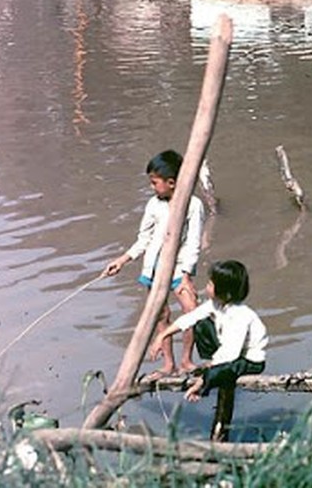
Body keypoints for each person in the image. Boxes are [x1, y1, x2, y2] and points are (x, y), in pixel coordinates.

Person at [103, 149, 206, 380]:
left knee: (191, 310)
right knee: (161, 315)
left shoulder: (193, 204)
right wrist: (123, 260)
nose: (152, 187)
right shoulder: (153, 205)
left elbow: (193, 242)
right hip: (155, 268)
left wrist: (187, 275)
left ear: (171, 183)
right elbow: (144, 239)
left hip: (180, 268)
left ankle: (187, 360)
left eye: (154, 182)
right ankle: (168, 364)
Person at [154, 259, 267, 402]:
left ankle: (202, 386)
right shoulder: (216, 304)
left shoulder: (240, 315)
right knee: (201, 323)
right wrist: (162, 335)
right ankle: (210, 370)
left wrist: (207, 374)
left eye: (210, 284)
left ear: (226, 294)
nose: (206, 287)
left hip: (249, 360)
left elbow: (229, 354)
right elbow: (190, 318)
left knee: (220, 371)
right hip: (231, 352)